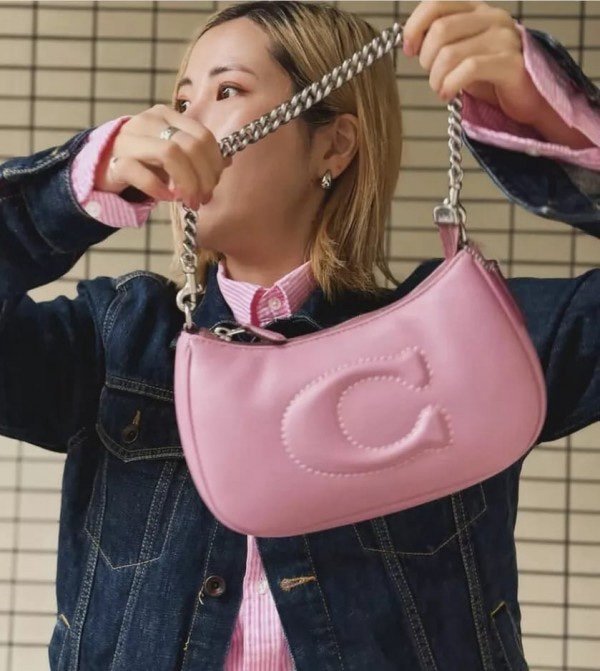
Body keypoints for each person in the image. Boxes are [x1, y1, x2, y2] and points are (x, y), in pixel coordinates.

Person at [0, 1, 598, 669]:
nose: (183, 125)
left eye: (227, 91)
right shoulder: (113, 342)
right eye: (180, 100)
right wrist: (74, 184)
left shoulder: (468, 332)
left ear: (333, 145)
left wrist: (563, 120)